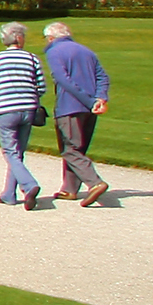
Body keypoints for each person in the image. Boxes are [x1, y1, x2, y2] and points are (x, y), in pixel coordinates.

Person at [42, 21, 112, 206]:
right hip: (90, 109)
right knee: (78, 149)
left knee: (69, 149)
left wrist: (89, 101)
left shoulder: (54, 52)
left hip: (69, 107)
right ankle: (69, 189)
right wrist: (100, 99)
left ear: (51, 37)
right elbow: (103, 77)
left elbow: (63, 80)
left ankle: (95, 182)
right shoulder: (87, 51)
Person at [0, 22, 50, 208]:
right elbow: (41, 88)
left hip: (5, 110)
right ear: (19, 38)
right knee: (18, 152)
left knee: (10, 152)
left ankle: (29, 186)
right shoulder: (32, 58)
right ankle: (9, 194)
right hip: (29, 109)